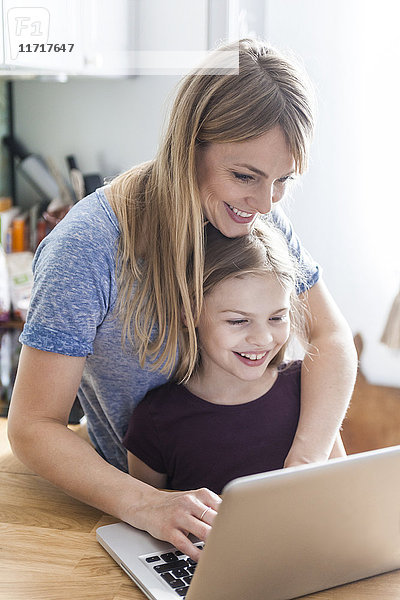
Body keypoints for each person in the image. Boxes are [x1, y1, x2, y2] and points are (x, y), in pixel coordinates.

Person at [7, 38, 357, 561]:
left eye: (283, 181)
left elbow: (330, 337)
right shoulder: (88, 248)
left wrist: (305, 465)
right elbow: (32, 427)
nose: (264, 204)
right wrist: (147, 504)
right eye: (246, 176)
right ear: (187, 144)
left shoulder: (253, 212)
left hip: (275, 506)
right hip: (162, 518)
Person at [123, 222, 345, 494]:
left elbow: (340, 497)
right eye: (239, 321)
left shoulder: (310, 389)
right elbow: (144, 517)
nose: (263, 338)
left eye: (277, 317)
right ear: (189, 313)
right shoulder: (155, 420)